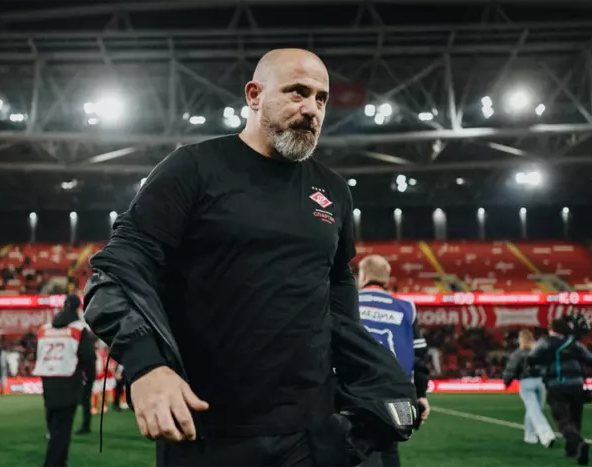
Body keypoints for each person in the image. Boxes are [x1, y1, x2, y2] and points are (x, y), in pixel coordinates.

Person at [83, 47, 419, 467]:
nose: (312, 109)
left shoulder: (332, 190)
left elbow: (338, 286)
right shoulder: (193, 168)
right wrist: (146, 366)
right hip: (208, 429)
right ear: (254, 95)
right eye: (297, 92)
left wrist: (365, 379)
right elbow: (115, 272)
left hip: (311, 432)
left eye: (321, 98)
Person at [356, 255, 430, 467]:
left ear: (363, 275)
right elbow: (420, 356)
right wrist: (421, 395)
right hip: (399, 397)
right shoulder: (407, 308)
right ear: (386, 278)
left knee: (363, 451)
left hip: (360, 393)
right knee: (389, 449)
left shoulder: (348, 304)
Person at [33, 294, 96, 467]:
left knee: (54, 425)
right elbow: (88, 357)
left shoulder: (44, 329)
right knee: (62, 429)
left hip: (48, 382)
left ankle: (60, 462)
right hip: (69, 380)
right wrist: (88, 378)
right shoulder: (78, 328)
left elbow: (37, 354)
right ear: (78, 308)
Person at [529, 313, 592, 466]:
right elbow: (591, 359)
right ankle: (572, 451)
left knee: (562, 418)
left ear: (552, 329)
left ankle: (577, 443)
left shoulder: (545, 342)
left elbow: (532, 357)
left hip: (557, 384)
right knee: (575, 417)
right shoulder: (575, 343)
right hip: (577, 384)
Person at [503, 329, 555, 448]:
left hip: (526, 382)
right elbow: (548, 366)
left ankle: (545, 436)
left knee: (533, 410)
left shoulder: (518, 353)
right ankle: (531, 436)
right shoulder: (539, 351)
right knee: (536, 409)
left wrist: (507, 381)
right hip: (540, 381)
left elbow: (511, 368)